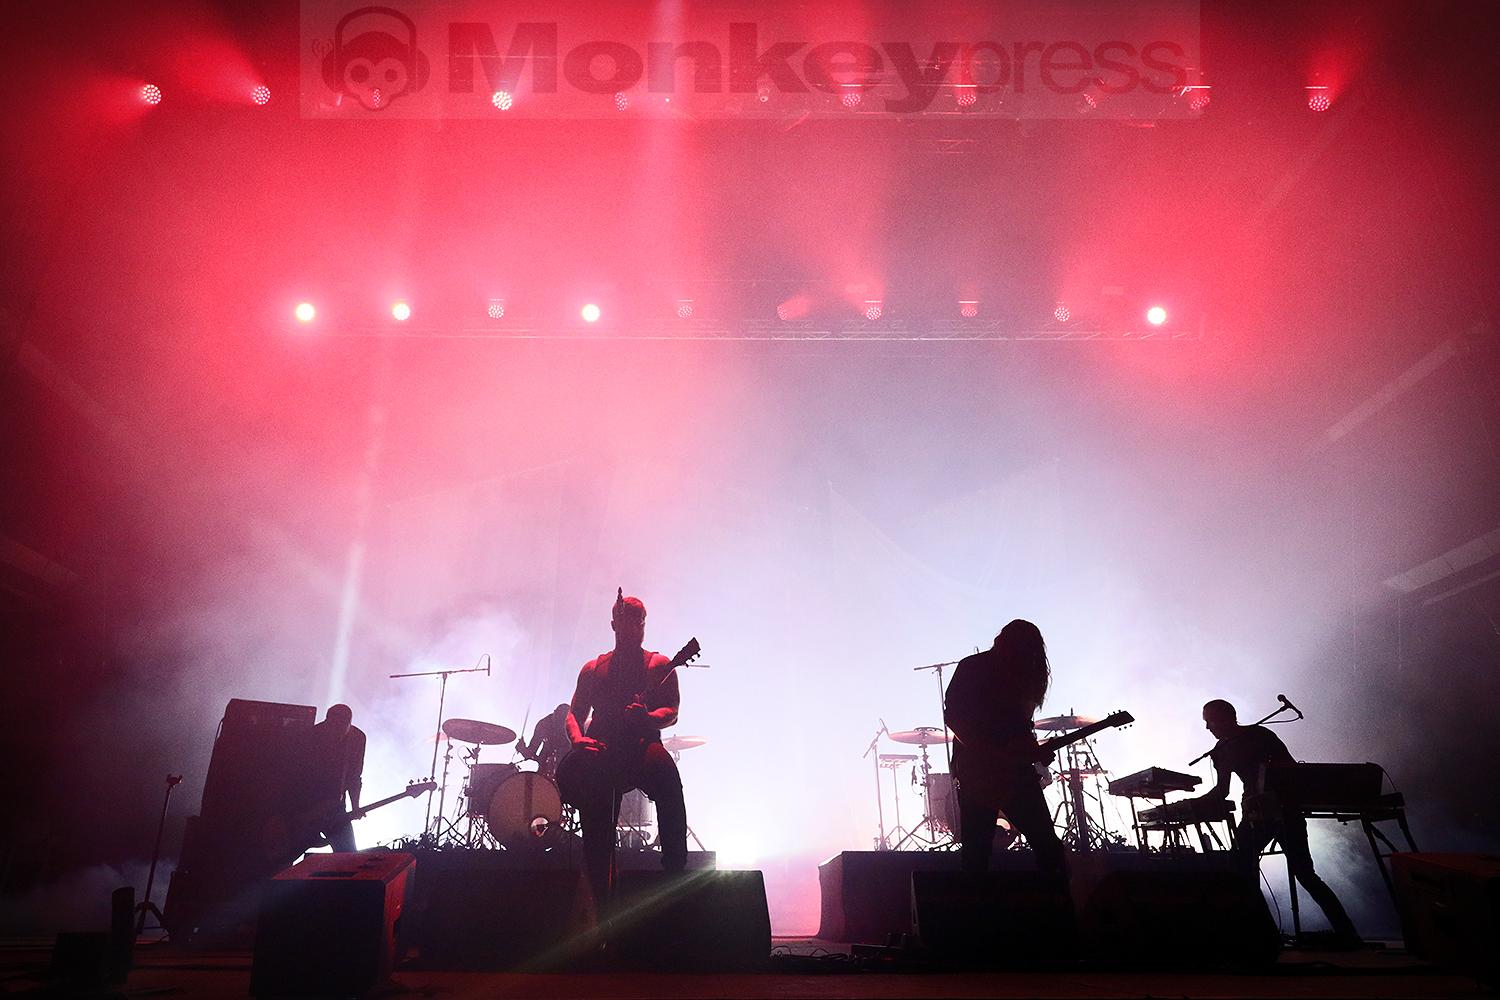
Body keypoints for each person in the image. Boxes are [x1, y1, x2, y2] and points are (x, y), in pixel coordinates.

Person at [556, 590, 688, 904]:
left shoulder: (659, 664)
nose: (638, 628)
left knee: (669, 782)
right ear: (615, 624)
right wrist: (577, 740)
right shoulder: (593, 668)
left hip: (642, 747)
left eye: (642, 622)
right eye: (632, 622)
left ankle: (675, 872)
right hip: (601, 750)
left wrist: (648, 717)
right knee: (596, 823)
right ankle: (602, 898)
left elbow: (672, 711)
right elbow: (574, 714)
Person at [1192, 699, 1360, 944]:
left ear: (1228, 716)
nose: (1208, 727)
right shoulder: (1221, 749)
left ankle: (1345, 932)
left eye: (1210, 721)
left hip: (1283, 809)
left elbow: (1290, 769)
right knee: (1242, 865)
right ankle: (1264, 931)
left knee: (1300, 872)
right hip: (1255, 812)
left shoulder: (1261, 735)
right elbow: (1222, 791)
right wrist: (1193, 803)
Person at [944, 619, 1067, 875]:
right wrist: (991, 753)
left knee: (1048, 848)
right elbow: (955, 718)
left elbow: (1019, 729)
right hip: (980, 772)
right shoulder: (974, 668)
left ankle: (1054, 906)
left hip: (1012, 774)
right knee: (978, 853)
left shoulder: (1019, 679)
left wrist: (1036, 751)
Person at [298, 703, 366, 853]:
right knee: (286, 855)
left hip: (334, 807)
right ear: (327, 722)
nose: (337, 734)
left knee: (347, 855)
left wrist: (356, 806)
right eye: (334, 728)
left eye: (342, 728)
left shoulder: (357, 739)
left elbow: (354, 776)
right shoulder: (310, 737)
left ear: (349, 724)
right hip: (303, 807)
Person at [518, 703, 572, 779]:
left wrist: (523, 750)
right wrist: (523, 749)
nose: (560, 726)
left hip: (566, 758)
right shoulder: (543, 725)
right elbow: (531, 753)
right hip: (548, 757)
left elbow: (531, 753)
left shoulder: (544, 725)